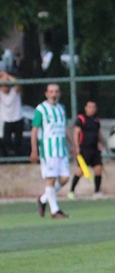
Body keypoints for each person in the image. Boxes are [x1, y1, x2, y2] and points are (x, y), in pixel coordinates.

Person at [30, 83, 71, 218]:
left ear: (59, 93)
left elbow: (65, 128)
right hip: (48, 150)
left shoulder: (61, 108)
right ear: (46, 94)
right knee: (51, 178)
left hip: (62, 149)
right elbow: (34, 130)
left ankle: (43, 199)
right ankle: (54, 210)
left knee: (65, 178)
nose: (54, 94)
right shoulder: (41, 109)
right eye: (51, 92)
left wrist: (74, 145)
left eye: (56, 91)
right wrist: (34, 149)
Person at [68, 100, 104, 199]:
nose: (92, 109)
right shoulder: (81, 119)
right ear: (86, 108)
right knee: (81, 171)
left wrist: (102, 142)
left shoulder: (96, 119)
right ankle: (71, 191)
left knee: (98, 169)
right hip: (84, 149)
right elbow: (76, 133)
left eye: (94, 107)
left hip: (94, 149)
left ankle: (97, 192)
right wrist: (76, 146)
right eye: (90, 107)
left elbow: (98, 132)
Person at [0, 71, 25, 156]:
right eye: (3, 85)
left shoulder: (15, 91)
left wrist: (7, 76)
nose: (5, 87)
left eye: (7, 85)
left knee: (18, 142)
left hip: (18, 119)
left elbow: (17, 83)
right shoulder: (0, 93)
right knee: (6, 141)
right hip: (7, 121)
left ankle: (18, 157)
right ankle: (9, 157)